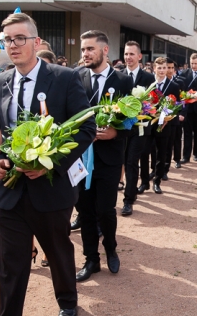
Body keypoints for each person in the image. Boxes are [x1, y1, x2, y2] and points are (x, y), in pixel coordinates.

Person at [0, 13, 95, 316]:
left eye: (19, 38)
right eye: (6, 40)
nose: (12, 45)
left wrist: (50, 164)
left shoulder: (65, 78)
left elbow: (84, 130)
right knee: (11, 265)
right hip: (10, 190)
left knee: (57, 250)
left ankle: (68, 300)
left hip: (51, 187)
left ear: (36, 42)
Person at [74, 30, 132, 283]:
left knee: (105, 210)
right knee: (84, 210)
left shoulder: (123, 81)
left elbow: (134, 122)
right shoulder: (74, 77)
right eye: (83, 49)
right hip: (79, 159)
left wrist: (114, 134)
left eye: (90, 49)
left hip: (108, 158)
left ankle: (110, 247)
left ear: (105, 50)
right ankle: (91, 259)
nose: (85, 54)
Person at [121, 41, 155, 216]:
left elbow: (154, 103)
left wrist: (145, 109)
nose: (128, 57)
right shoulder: (118, 75)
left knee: (131, 162)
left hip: (140, 128)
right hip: (121, 128)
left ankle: (128, 200)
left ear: (139, 56)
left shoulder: (149, 78)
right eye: (126, 54)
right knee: (122, 162)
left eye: (132, 54)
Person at [145, 57, 180, 192]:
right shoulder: (149, 84)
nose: (162, 70)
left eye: (164, 68)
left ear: (168, 69)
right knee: (146, 151)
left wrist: (166, 115)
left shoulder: (174, 86)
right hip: (149, 122)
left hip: (164, 124)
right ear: (154, 68)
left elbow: (177, 105)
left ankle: (157, 180)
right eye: (159, 68)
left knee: (162, 152)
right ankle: (146, 178)